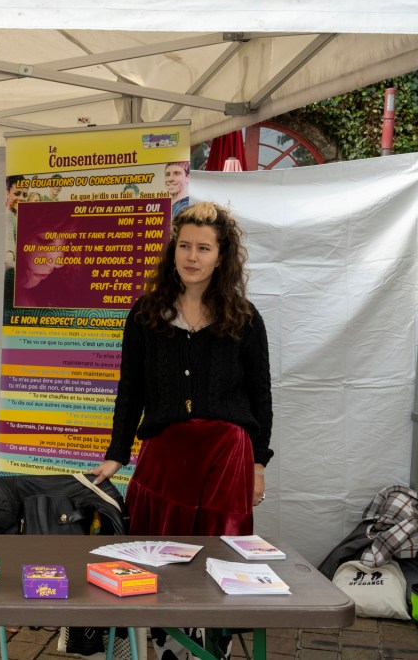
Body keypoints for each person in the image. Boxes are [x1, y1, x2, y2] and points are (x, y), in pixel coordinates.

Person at [89, 201, 272, 660]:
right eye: (184, 245)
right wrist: (117, 453)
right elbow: (129, 390)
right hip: (165, 456)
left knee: (216, 558)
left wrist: (258, 464)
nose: (192, 256)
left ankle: (213, 646)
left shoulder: (244, 318)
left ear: (221, 256)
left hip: (226, 458)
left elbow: (261, 397)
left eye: (203, 248)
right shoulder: (146, 314)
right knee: (159, 555)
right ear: (173, 251)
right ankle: (166, 645)